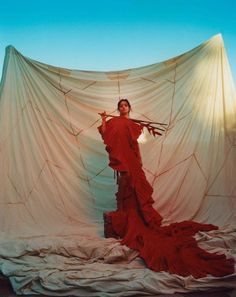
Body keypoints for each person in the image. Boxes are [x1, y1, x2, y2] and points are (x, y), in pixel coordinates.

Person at [98, 99, 234, 278]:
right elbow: (106, 136)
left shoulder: (132, 123)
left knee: (137, 188)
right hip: (123, 161)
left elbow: (135, 145)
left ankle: (137, 217)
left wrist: (138, 160)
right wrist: (103, 119)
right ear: (118, 108)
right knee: (125, 187)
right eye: (121, 105)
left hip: (132, 159)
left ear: (129, 108)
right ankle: (126, 216)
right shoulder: (114, 121)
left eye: (126, 105)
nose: (123, 107)